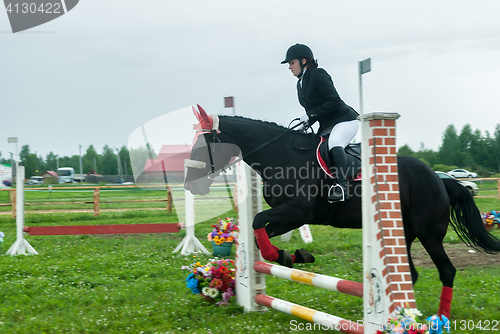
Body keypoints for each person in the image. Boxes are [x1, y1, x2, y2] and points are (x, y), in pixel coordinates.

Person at [281, 43, 359, 202]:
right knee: (313, 149)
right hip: (327, 125)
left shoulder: (318, 74)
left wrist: (311, 114)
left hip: (345, 120)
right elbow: (316, 109)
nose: (289, 67)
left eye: (292, 63)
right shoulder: (300, 84)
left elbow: (334, 101)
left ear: (303, 61)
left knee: (334, 144)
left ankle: (341, 188)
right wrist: (307, 122)